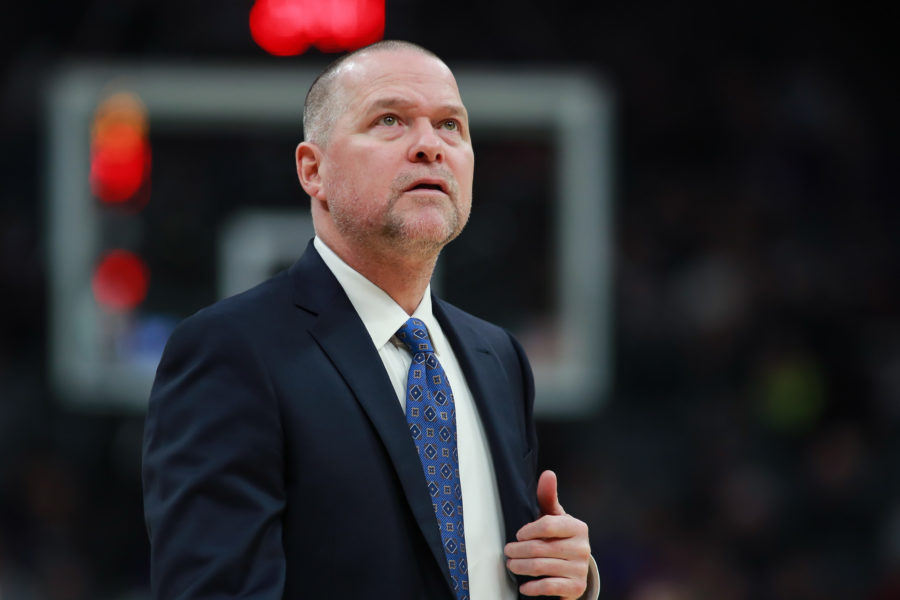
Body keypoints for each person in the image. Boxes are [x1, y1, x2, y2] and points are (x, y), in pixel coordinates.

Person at [142, 40, 599, 599]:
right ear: (314, 170)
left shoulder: (498, 356)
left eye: (451, 125)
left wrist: (564, 579)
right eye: (390, 120)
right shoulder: (230, 350)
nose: (431, 146)